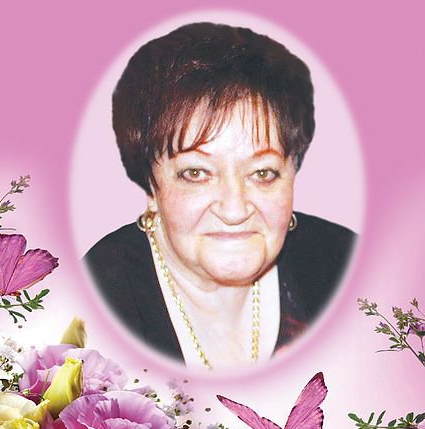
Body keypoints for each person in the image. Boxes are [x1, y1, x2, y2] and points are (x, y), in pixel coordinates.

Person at [85, 22, 356, 369]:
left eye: (262, 173)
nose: (234, 209)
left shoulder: (344, 266)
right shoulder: (96, 301)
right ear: (151, 186)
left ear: (292, 173)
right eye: (196, 173)